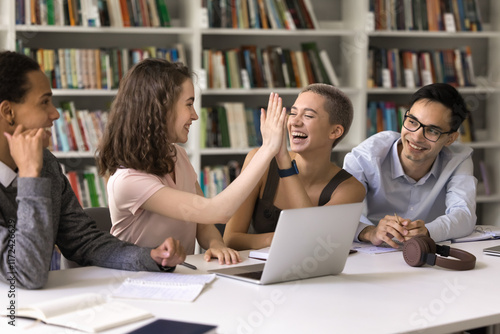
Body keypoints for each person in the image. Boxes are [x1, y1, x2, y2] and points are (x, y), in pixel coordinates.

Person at [0, 51, 187, 290]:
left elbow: (84, 241)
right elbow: (27, 272)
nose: (55, 114)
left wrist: (150, 258)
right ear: (8, 112)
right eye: (44, 102)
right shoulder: (35, 168)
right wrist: (29, 177)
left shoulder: (45, 164)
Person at [96, 58, 287, 264]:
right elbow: (217, 211)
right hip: (136, 282)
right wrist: (267, 149)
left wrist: (216, 244)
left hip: (179, 277)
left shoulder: (178, 155)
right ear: (161, 108)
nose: (195, 115)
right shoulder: (128, 180)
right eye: (189, 104)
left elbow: (202, 223)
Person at [223, 84, 366, 250]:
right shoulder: (261, 160)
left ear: (335, 131)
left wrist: (284, 161)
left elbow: (311, 239)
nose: (295, 122)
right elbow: (230, 239)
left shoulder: (350, 189)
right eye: (293, 113)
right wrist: (278, 239)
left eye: (308, 116)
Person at [343, 83, 476, 248]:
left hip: (427, 255)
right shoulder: (366, 156)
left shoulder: (458, 159)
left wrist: (427, 231)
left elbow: (464, 215)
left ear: (450, 139)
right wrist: (370, 232)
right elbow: (339, 214)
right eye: (412, 122)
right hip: (373, 253)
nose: (416, 137)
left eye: (432, 131)